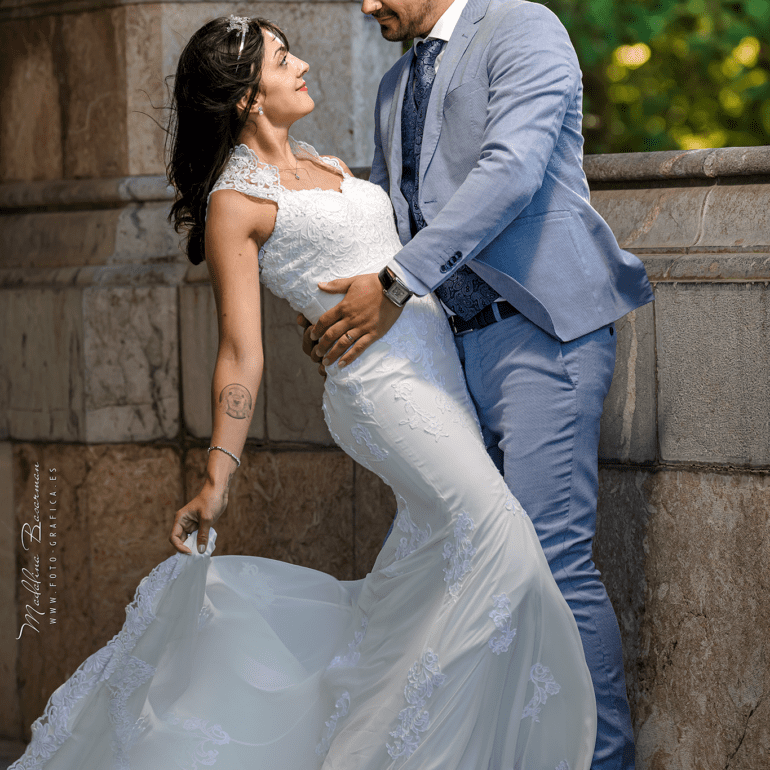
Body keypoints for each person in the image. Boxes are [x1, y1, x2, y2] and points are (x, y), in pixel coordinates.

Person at [9, 15, 597, 770]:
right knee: (503, 544)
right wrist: (215, 475)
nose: (306, 65)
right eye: (287, 61)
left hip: (439, 367)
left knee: (425, 585)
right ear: (249, 97)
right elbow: (239, 352)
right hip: (384, 391)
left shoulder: (329, 164)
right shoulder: (235, 203)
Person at [299, 0, 654, 768]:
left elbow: (512, 171)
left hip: (540, 331)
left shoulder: (524, 26)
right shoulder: (396, 85)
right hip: (446, 351)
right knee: (467, 567)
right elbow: (397, 213)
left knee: (552, 565)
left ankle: (606, 760)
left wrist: (391, 285)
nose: (367, 6)